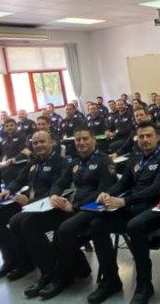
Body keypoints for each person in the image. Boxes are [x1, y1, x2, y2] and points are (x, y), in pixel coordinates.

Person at [83, 122, 160, 304]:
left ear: (157, 137)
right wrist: (109, 193)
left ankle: (144, 285)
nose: (145, 140)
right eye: (141, 136)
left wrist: (125, 201)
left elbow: (156, 189)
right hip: (134, 205)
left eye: (149, 135)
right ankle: (111, 280)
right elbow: (125, 182)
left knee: (134, 226)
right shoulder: (135, 158)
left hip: (159, 208)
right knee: (97, 224)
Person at [40, 127, 116, 299]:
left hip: (95, 209)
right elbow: (60, 182)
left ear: (94, 140)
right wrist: (54, 195)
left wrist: (75, 208)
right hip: (77, 207)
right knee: (47, 225)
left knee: (64, 229)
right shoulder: (74, 162)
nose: (81, 143)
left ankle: (62, 278)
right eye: (77, 140)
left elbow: (104, 191)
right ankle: (74, 270)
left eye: (84, 139)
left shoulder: (104, 161)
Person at [0, 131, 69, 284]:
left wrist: (30, 202)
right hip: (28, 203)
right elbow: (18, 180)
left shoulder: (60, 163)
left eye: (42, 141)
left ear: (52, 143)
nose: (39, 145)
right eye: (35, 143)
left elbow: (57, 190)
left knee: (21, 222)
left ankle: (44, 268)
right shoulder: (34, 162)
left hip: (47, 205)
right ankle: (12, 259)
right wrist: (8, 190)